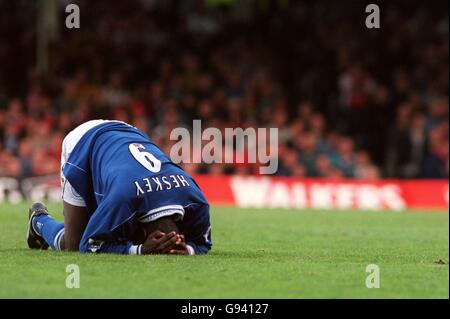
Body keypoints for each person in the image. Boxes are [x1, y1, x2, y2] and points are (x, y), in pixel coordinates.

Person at [26, 120, 212, 255]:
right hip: (82, 142)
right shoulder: (123, 199)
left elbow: (203, 243)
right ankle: (38, 220)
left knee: (119, 233)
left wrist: (186, 248)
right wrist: (139, 249)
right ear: (144, 232)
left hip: (130, 133)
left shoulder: (196, 199)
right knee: (72, 243)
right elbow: (88, 244)